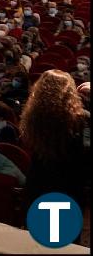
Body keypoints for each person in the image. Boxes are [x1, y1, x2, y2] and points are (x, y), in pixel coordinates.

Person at [20, 70, 90, 209]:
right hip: (69, 182)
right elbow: (87, 149)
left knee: (42, 228)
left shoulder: (32, 116)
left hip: (39, 180)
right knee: (66, 228)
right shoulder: (82, 118)